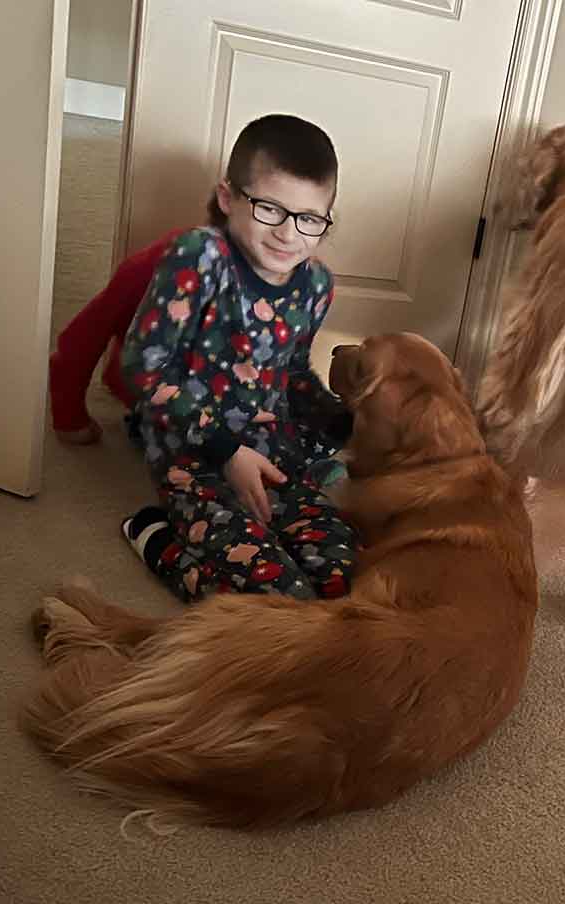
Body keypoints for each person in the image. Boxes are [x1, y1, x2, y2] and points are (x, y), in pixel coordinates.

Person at [117, 113, 355, 602]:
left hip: (275, 452)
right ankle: (157, 539)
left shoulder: (315, 284)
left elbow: (291, 372)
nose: (289, 234)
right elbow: (142, 368)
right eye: (270, 208)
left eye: (309, 219)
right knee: (276, 600)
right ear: (228, 199)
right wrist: (225, 451)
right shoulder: (199, 257)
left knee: (344, 582)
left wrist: (350, 423)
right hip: (196, 453)